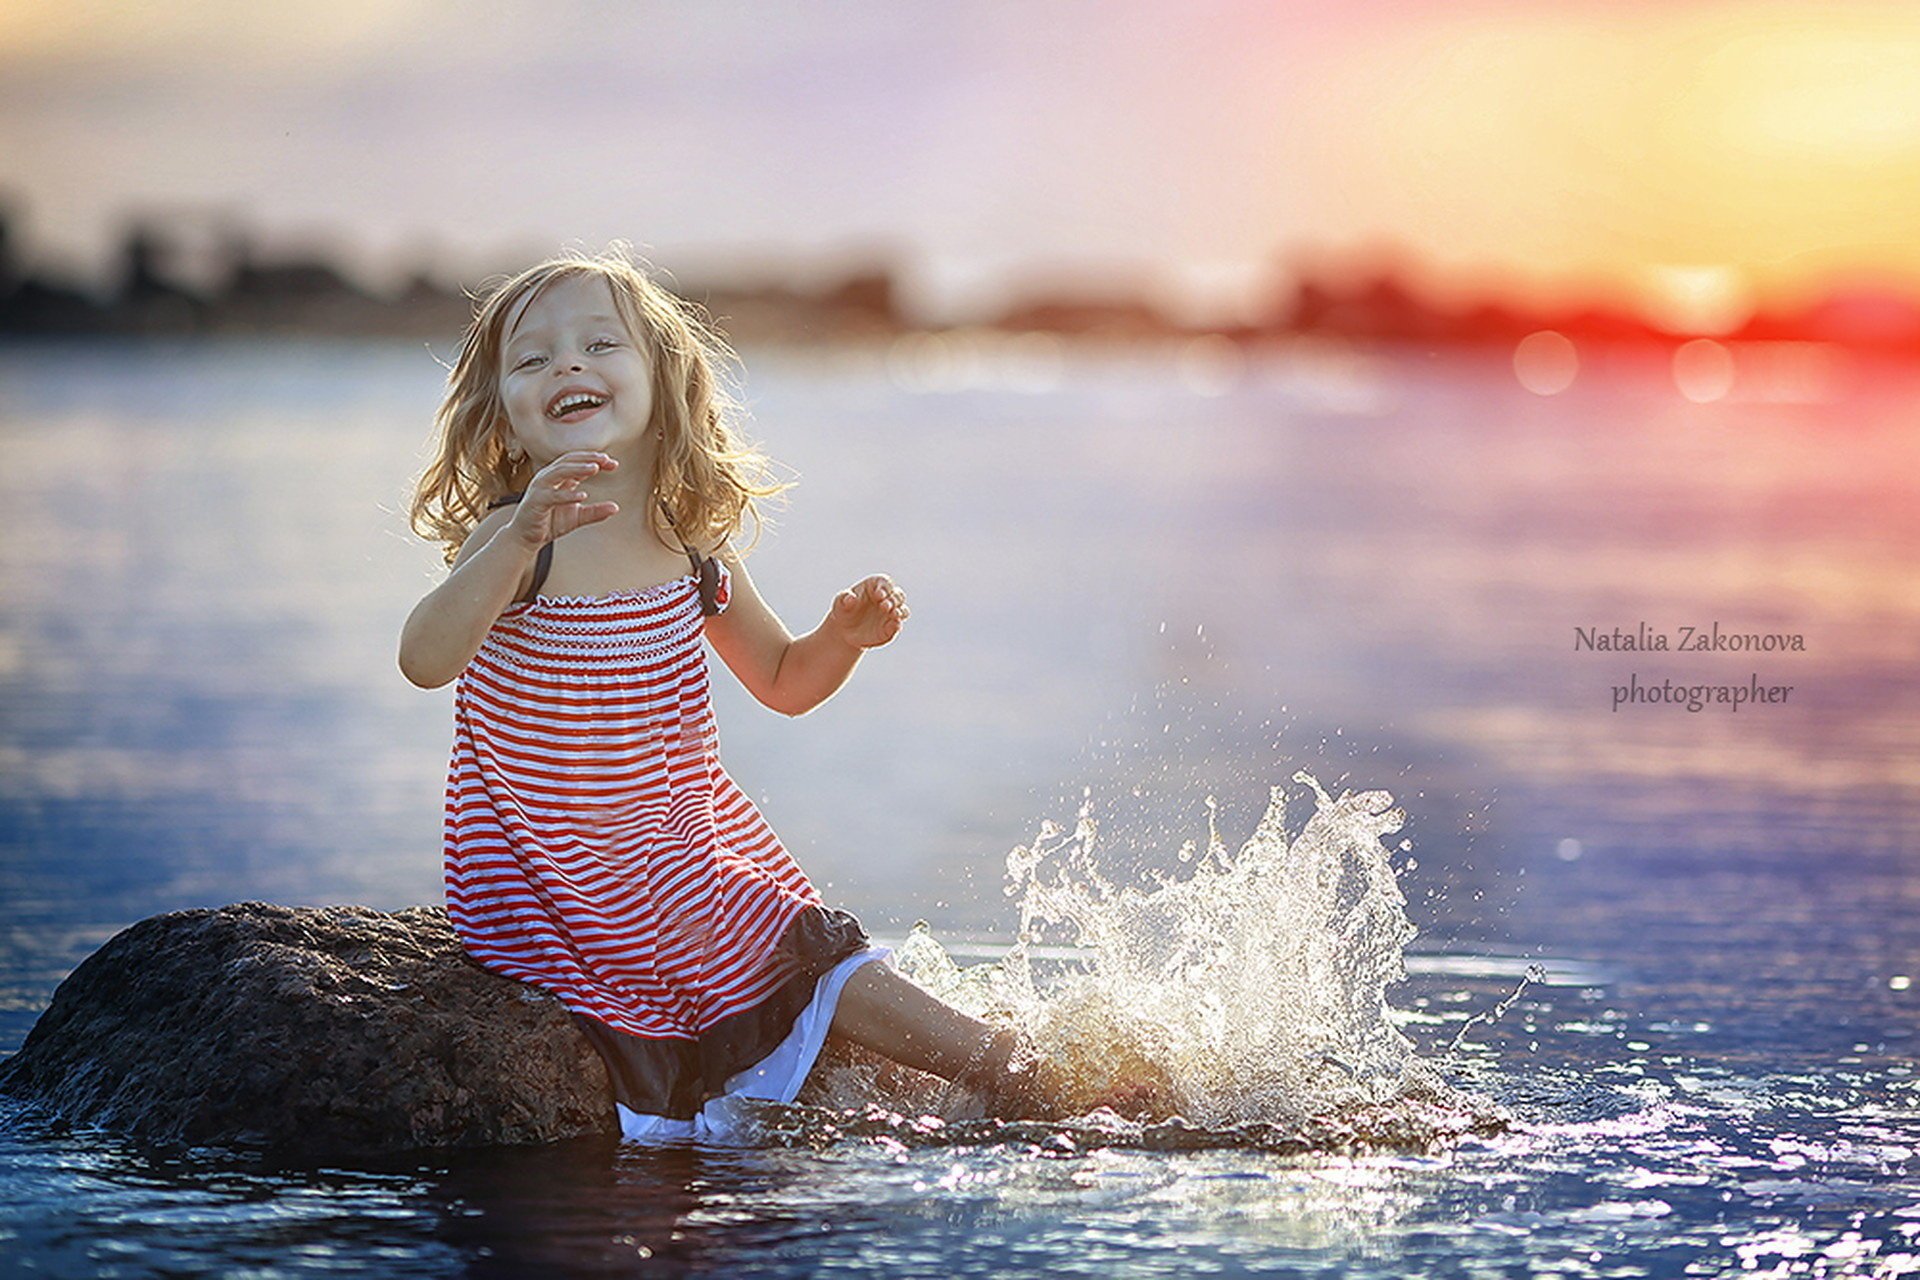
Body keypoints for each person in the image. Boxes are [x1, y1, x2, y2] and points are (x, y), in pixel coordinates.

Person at [398, 245, 1079, 1142]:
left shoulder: (689, 555)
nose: (567, 364)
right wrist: (517, 538)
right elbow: (424, 658)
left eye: (600, 344)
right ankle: (1007, 1064)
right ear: (505, 414)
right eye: (532, 359)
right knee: (799, 943)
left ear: (664, 384)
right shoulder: (524, 538)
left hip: (667, 846)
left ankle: (965, 1063)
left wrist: (841, 639)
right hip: (549, 863)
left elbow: (785, 681)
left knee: (774, 925)